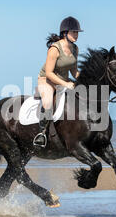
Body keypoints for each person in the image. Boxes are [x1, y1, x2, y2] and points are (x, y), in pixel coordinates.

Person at [33, 16, 83, 147]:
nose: (76, 35)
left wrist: (85, 80)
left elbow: (74, 71)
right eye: (74, 32)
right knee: (48, 102)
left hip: (63, 80)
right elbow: (49, 73)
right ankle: (42, 134)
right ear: (65, 33)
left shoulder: (75, 49)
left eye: (77, 32)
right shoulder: (54, 49)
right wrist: (66, 84)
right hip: (47, 80)